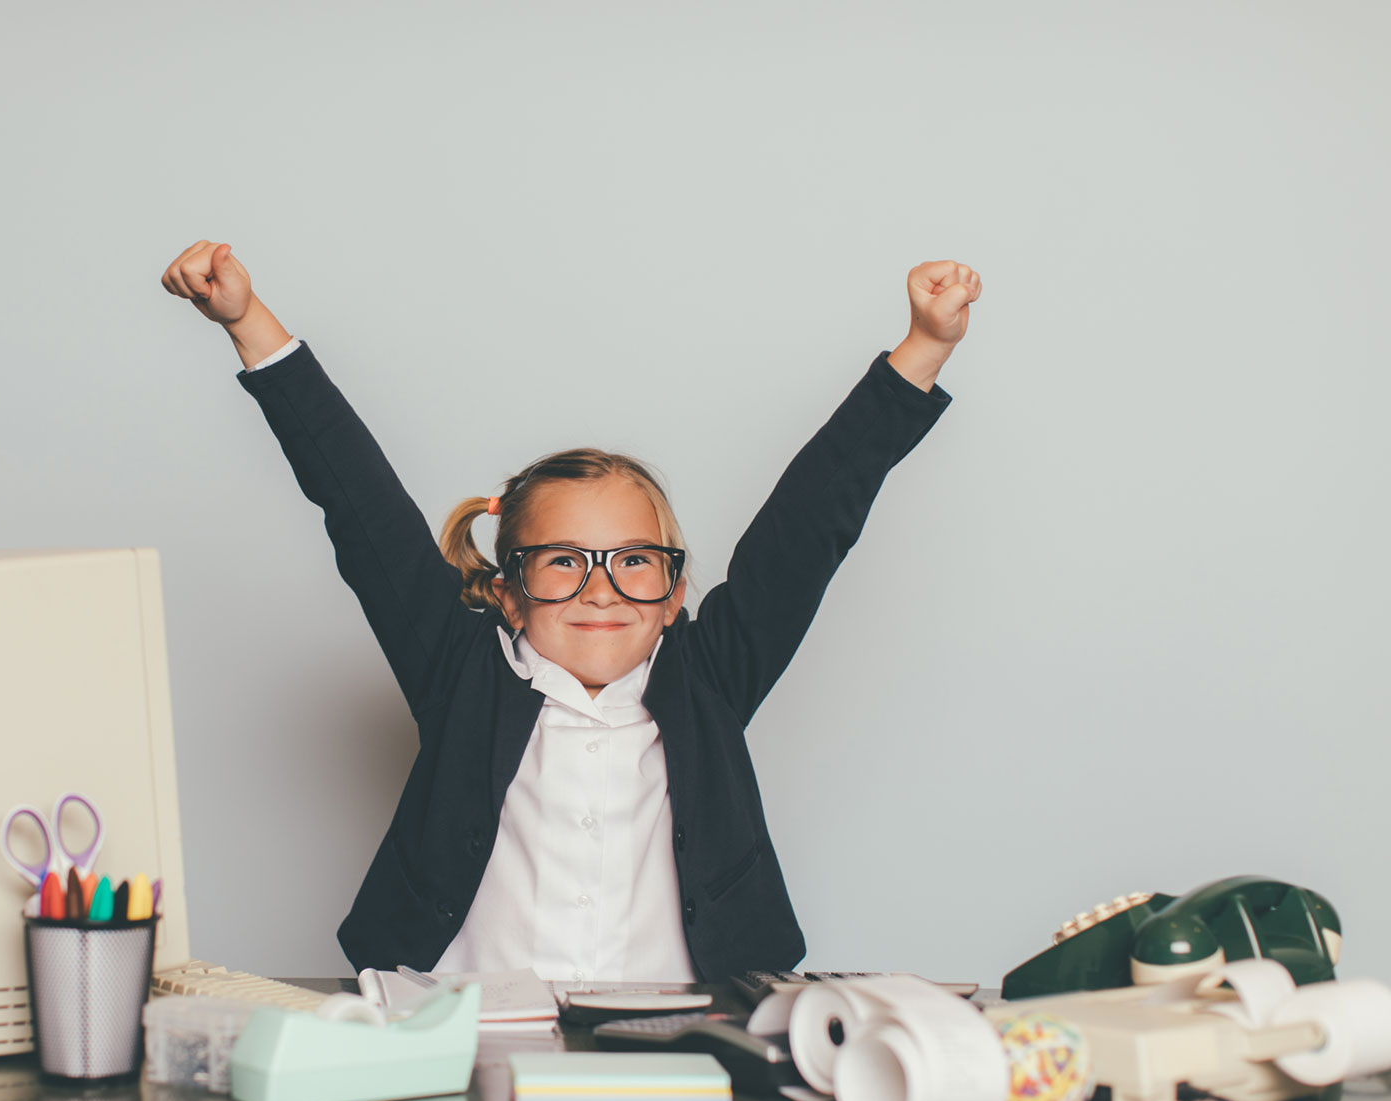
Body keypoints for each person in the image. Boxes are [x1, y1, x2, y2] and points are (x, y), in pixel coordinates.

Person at [162, 242, 980, 982]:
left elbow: (812, 523)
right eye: (563, 563)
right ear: (508, 592)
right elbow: (356, 499)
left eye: (633, 562)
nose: (601, 590)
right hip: (456, 1040)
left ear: (675, 595)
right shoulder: (459, 671)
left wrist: (923, 348)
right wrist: (250, 325)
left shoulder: (712, 677)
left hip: (681, 1046)